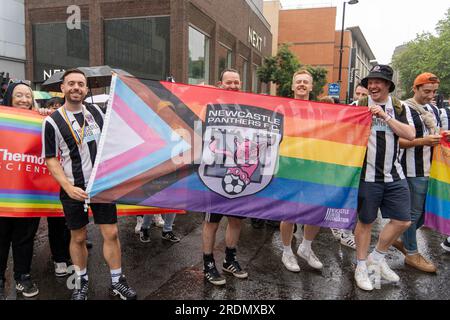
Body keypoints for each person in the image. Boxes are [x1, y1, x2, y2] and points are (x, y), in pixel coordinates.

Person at [42, 69, 137, 300]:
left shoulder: (95, 111)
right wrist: (67, 187)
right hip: (74, 188)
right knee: (78, 237)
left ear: (86, 89)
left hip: (102, 185)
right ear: (62, 88)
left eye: (81, 84)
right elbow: (51, 158)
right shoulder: (51, 121)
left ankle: (117, 281)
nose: (76, 87)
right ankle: (81, 282)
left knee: (112, 233)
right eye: (71, 83)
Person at [354, 65, 416, 291]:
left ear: (388, 85)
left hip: (394, 175)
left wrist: (386, 116)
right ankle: (361, 266)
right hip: (366, 175)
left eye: (378, 81)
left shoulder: (399, 107)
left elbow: (410, 134)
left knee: (403, 220)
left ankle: (376, 258)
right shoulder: (359, 105)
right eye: (370, 82)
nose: (372, 85)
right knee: (366, 222)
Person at [202, 69, 248, 286]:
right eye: (228, 82)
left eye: (236, 82)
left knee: (236, 219)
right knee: (212, 221)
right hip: (215, 172)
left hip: (239, 173)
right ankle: (208, 263)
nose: (232, 86)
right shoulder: (210, 106)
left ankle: (230, 259)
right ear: (220, 84)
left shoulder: (246, 107)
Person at [393, 73, 441, 273]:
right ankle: (412, 253)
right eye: (426, 91)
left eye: (434, 91)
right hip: (412, 170)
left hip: (433, 169)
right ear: (416, 88)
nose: (431, 95)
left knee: (425, 212)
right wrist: (423, 141)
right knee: (413, 213)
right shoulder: (403, 108)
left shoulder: (433, 109)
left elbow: (436, 133)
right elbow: (398, 140)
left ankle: (400, 235)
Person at [280, 70, 325, 273]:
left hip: (314, 167)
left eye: (305, 82)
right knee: (289, 213)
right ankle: (287, 251)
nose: (302, 84)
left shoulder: (321, 110)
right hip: (290, 167)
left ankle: (306, 247)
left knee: (317, 210)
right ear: (292, 86)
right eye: (298, 81)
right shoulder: (282, 108)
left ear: (311, 86)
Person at [0, 82, 40, 299]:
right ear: (9, 98)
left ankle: (22, 277)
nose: (24, 100)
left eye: (28, 96)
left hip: (28, 194)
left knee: (25, 238)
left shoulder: (40, 122)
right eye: (19, 95)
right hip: (2, 195)